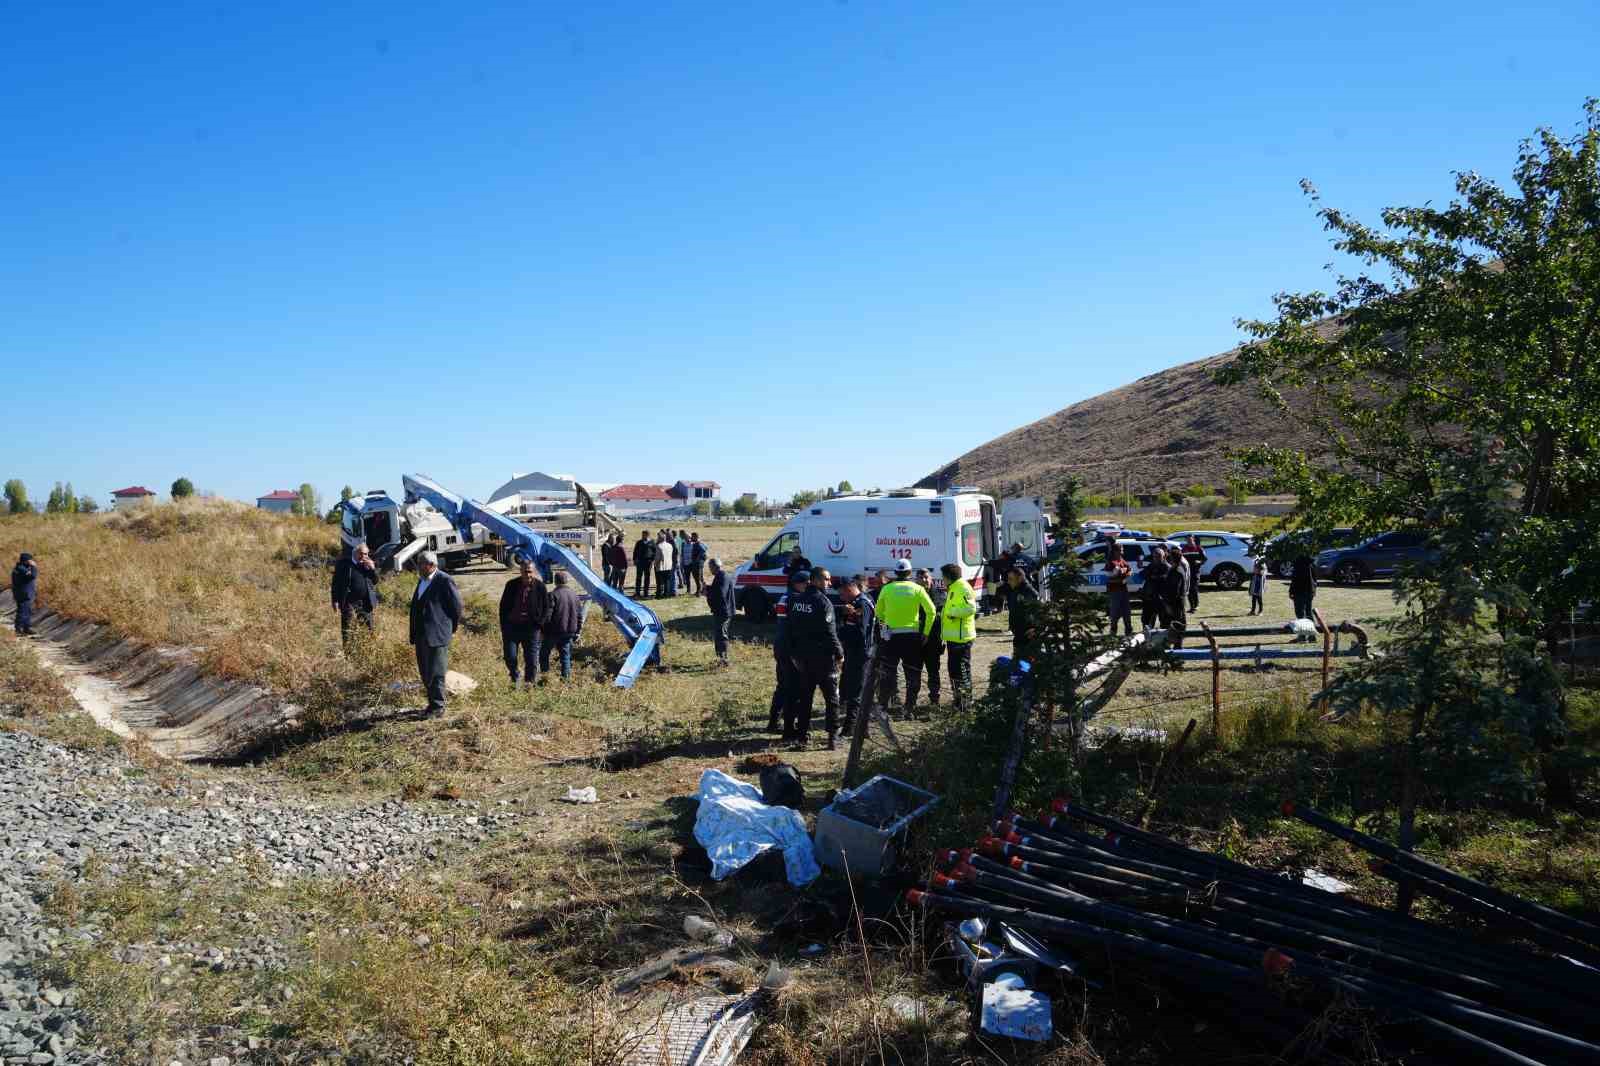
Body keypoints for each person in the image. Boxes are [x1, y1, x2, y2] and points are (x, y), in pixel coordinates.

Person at [786, 567, 845, 748]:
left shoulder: (795, 600)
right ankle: (833, 738)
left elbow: (791, 630)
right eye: (826, 579)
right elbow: (830, 632)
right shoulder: (823, 602)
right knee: (832, 699)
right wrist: (840, 654)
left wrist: (793, 654)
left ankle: (802, 736)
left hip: (803, 659)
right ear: (815, 580)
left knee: (805, 699)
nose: (829, 583)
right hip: (824, 660)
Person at [874, 559, 939, 718]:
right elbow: (931, 611)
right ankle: (909, 708)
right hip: (912, 637)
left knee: (888, 673)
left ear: (895, 573)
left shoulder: (886, 589)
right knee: (912, 674)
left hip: (891, 638)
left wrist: (884, 630)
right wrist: (925, 633)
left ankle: (883, 707)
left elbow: (878, 613)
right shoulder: (917, 589)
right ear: (910, 573)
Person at [408, 551, 463, 718]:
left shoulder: (444, 580)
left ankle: (438, 707)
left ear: (431, 565)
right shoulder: (422, 580)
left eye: (420, 564)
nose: (418, 567)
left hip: (438, 634)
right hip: (422, 634)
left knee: (436, 671)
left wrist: (450, 629)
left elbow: (456, 607)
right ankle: (432, 704)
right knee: (425, 671)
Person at [498, 558, 550, 686]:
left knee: (531, 659)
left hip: (532, 629)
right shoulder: (511, 585)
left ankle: (529, 683)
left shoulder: (540, 587)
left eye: (530, 572)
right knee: (510, 656)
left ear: (534, 572)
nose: (528, 575)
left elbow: (546, 608)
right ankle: (515, 675)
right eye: (525, 572)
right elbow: (503, 607)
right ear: (520, 571)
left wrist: (540, 625)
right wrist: (504, 627)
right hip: (512, 628)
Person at [768, 570, 808, 733]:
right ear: (798, 584)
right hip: (789, 649)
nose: (808, 586)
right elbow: (790, 628)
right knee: (792, 687)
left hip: (781, 647)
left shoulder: (786, 597)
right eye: (807, 583)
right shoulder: (793, 599)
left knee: (783, 686)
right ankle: (786, 723)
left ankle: (774, 721)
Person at [836, 577, 875, 732]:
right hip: (853, 651)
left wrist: (841, 632)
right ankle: (856, 726)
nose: (841, 598)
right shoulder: (856, 603)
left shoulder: (862, 603)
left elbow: (861, 632)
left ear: (849, 589)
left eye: (842, 594)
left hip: (860, 653)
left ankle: (851, 728)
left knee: (856, 691)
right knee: (850, 688)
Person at [938, 562, 977, 711]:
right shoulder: (954, 587)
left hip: (962, 639)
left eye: (943, 577)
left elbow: (971, 608)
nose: (942, 580)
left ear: (948, 577)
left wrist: (952, 612)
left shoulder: (962, 587)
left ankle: (966, 703)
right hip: (954, 639)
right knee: (954, 671)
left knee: (962, 671)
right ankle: (958, 700)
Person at [330, 544, 380, 646]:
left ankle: (368, 651)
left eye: (366, 554)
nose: (364, 556)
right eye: (361, 554)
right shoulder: (344, 564)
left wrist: (372, 569)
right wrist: (334, 600)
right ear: (355, 553)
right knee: (347, 630)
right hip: (349, 602)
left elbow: (375, 581)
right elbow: (335, 583)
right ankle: (348, 653)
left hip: (365, 602)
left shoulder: (367, 565)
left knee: (368, 628)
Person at [541, 571, 583, 680]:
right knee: (565, 656)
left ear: (555, 582)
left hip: (553, 631)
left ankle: (545, 678)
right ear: (566, 581)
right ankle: (566, 680)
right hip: (569, 632)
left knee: (544, 654)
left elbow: (547, 616)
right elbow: (579, 616)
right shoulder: (575, 595)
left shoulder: (552, 595)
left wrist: (543, 631)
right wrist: (578, 631)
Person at [915, 569, 946, 708]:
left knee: (933, 671)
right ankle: (911, 701)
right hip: (916, 640)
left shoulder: (940, 595)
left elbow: (943, 617)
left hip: (933, 640)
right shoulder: (912, 596)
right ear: (916, 580)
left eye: (926, 577)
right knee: (914, 672)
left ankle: (935, 699)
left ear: (931, 579)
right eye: (920, 578)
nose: (924, 580)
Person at [1002, 567, 1039, 661]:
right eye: (1008, 579)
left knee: (1030, 665)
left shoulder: (1029, 592)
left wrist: (1036, 629)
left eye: (1011, 579)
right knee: (1017, 664)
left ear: (1020, 578)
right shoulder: (1014, 590)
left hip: (1028, 636)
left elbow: (1040, 611)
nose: (1009, 582)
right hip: (1018, 635)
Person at [705, 557, 736, 666]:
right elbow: (718, 590)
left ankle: (724, 660)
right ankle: (721, 659)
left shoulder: (722, 577)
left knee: (721, 635)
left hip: (723, 611)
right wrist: (709, 588)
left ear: (714, 567)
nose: (710, 570)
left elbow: (720, 594)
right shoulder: (723, 576)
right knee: (720, 634)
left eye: (710, 567)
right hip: (725, 610)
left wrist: (708, 593)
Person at [1160, 547, 1188, 650]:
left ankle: (1177, 651)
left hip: (1175, 605)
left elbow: (1175, 591)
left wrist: (1168, 605)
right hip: (1174, 603)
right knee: (1173, 627)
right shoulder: (1174, 570)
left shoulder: (1176, 572)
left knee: (1177, 627)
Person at [1104, 543, 1133, 637]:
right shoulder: (1111, 562)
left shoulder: (1121, 560)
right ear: (1115, 551)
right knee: (1115, 613)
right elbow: (1109, 578)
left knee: (1127, 613)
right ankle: (1113, 633)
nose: (1122, 551)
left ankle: (1128, 632)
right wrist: (1120, 577)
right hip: (1115, 592)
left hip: (1124, 590)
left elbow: (1130, 569)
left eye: (1122, 550)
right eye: (1121, 550)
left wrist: (1126, 574)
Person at [1140, 547, 1170, 631]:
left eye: (1158, 556)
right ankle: (1146, 636)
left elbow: (1166, 578)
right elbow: (1143, 574)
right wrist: (1151, 577)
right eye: (1154, 556)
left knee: (1164, 621)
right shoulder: (1151, 565)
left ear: (1163, 557)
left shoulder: (1167, 567)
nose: (1156, 558)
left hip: (1161, 599)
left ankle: (1163, 637)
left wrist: (1155, 577)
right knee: (1147, 620)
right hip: (1149, 597)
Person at [10, 553, 38, 636]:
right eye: (30, 560)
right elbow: (33, 576)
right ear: (26, 561)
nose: (32, 561)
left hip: (23, 593)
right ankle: (18, 629)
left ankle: (26, 628)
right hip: (23, 594)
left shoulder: (19, 568)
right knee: (22, 611)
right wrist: (33, 567)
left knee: (27, 611)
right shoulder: (21, 569)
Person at [1181, 536, 1207, 612]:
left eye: (1190, 540)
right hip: (1187, 572)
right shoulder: (1184, 549)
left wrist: (1199, 562)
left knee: (1194, 588)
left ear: (1193, 540)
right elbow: (1181, 558)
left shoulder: (1199, 548)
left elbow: (1204, 559)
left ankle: (1196, 605)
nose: (1189, 541)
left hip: (1195, 572)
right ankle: (1191, 606)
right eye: (1187, 540)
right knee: (1188, 589)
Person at [1289, 554, 1316, 620]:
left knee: (1300, 612)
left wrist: (1291, 591)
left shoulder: (1297, 564)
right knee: (1308, 611)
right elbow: (1315, 579)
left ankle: (1304, 627)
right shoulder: (1311, 564)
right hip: (1309, 590)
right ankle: (1311, 627)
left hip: (1299, 591)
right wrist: (1314, 590)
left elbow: (1294, 579)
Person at [633, 532, 656, 597]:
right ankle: (637, 592)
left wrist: (652, 560)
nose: (643, 536)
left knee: (647, 577)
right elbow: (635, 551)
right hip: (640, 562)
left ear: (648, 535)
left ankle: (646, 593)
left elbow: (654, 551)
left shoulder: (652, 542)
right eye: (642, 535)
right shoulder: (639, 542)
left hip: (648, 562)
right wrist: (634, 559)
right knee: (638, 577)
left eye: (644, 535)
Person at [655, 532, 676, 598]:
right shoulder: (670, 545)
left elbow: (658, 557)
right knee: (667, 581)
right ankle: (666, 594)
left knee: (659, 582)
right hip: (669, 565)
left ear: (660, 539)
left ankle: (659, 594)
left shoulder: (659, 546)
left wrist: (655, 564)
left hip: (661, 566)